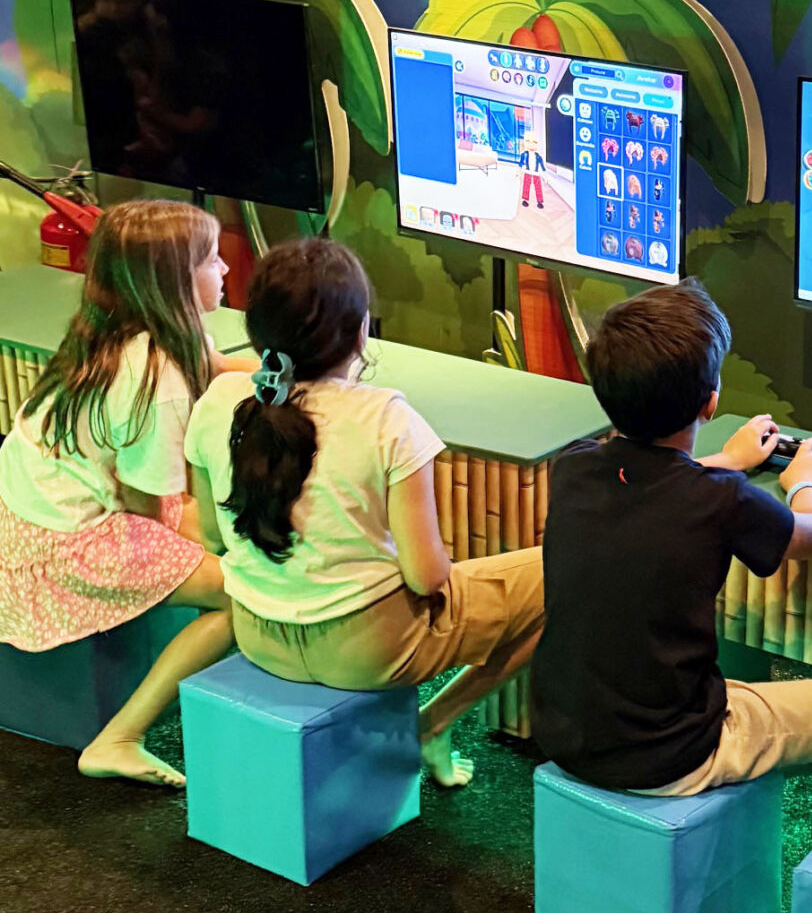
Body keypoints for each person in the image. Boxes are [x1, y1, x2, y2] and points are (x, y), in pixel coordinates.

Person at [183, 239, 542, 786]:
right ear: (360, 332)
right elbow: (426, 577)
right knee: (564, 573)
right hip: (369, 653)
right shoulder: (385, 416)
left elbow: (212, 534)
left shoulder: (218, 399)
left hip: (258, 637)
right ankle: (435, 723)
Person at [531, 280, 812, 794]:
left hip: (562, 735)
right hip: (670, 756)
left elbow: (657, 481)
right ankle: (736, 777)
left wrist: (731, 460)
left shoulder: (573, 466)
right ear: (711, 402)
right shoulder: (722, 499)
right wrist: (804, 481)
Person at [0, 199, 237, 787]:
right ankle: (120, 737)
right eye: (211, 259)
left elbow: (218, 365)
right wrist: (204, 550)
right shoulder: (157, 377)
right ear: (176, 282)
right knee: (246, 597)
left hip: (35, 510)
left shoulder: (126, 327)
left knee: (223, 541)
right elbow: (146, 507)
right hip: (67, 543)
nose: (226, 269)